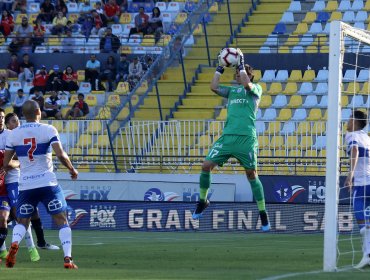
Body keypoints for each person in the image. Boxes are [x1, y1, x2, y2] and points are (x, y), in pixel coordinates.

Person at [191, 49, 270, 232]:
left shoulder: (256, 89)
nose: (239, 75)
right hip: (228, 137)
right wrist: (219, 68)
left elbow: (247, 84)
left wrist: (241, 65)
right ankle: (203, 201)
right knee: (205, 166)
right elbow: (213, 87)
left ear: (250, 76)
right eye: (237, 73)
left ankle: (263, 212)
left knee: (251, 175)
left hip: (246, 139)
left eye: (242, 73)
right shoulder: (232, 91)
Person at [4, 100, 78, 269]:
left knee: (22, 221)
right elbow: (60, 154)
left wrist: (21, 164)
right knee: (61, 220)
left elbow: (6, 163)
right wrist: (72, 169)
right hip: (47, 183)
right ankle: (68, 258)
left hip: (26, 185)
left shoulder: (13, 135)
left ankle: (14, 243)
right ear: (39, 112)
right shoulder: (48, 129)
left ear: (23, 114)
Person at [4, 113, 59, 251]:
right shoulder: (13, 136)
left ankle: (38, 244)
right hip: (7, 180)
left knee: (28, 211)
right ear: (7, 124)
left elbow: (16, 159)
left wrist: (17, 161)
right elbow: (10, 161)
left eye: (17, 121)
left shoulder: (15, 135)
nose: (17, 124)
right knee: (16, 214)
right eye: (13, 122)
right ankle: (32, 245)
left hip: (16, 179)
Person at [344, 110, 370, 268]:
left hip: (361, 185)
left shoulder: (351, 135)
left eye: (349, 118)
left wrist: (350, 174)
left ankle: (367, 255)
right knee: (367, 224)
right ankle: (367, 255)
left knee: (362, 222)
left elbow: (354, 150)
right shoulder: (367, 137)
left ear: (354, 121)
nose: (347, 122)